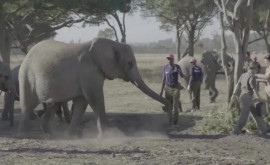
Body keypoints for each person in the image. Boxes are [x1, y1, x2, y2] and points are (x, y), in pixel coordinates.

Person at [231, 61, 270, 136]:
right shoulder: (252, 77)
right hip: (248, 98)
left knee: (256, 114)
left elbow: (237, 85)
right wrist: (259, 98)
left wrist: (234, 94)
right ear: (255, 69)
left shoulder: (243, 75)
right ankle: (236, 132)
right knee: (244, 116)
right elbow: (254, 89)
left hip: (244, 96)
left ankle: (263, 129)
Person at [160, 54, 184, 126]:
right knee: (168, 106)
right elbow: (164, 80)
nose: (169, 60)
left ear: (173, 59)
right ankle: (170, 121)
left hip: (175, 88)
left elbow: (182, 76)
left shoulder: (176, 67)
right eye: (168, 59)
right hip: (167, 89)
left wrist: (179, 72)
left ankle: (175, 121)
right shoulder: (165, 68)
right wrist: (161, 91)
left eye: (170, 59)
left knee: (175, 106)